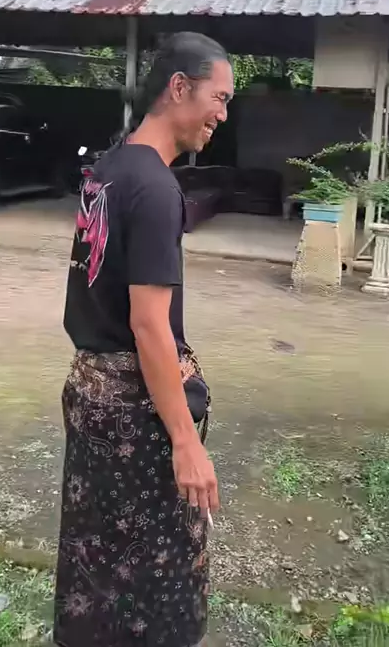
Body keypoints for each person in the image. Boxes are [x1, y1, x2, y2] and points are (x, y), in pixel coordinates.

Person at [54, 31, 234, 647]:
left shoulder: (110, 167)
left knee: (95, 556)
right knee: (158, 576)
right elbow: (149, 324)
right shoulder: (157, 188)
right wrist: (185, 440)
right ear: (179, 88)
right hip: (134, 416)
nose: (222, 114)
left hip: (90, 396)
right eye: (219, 97)